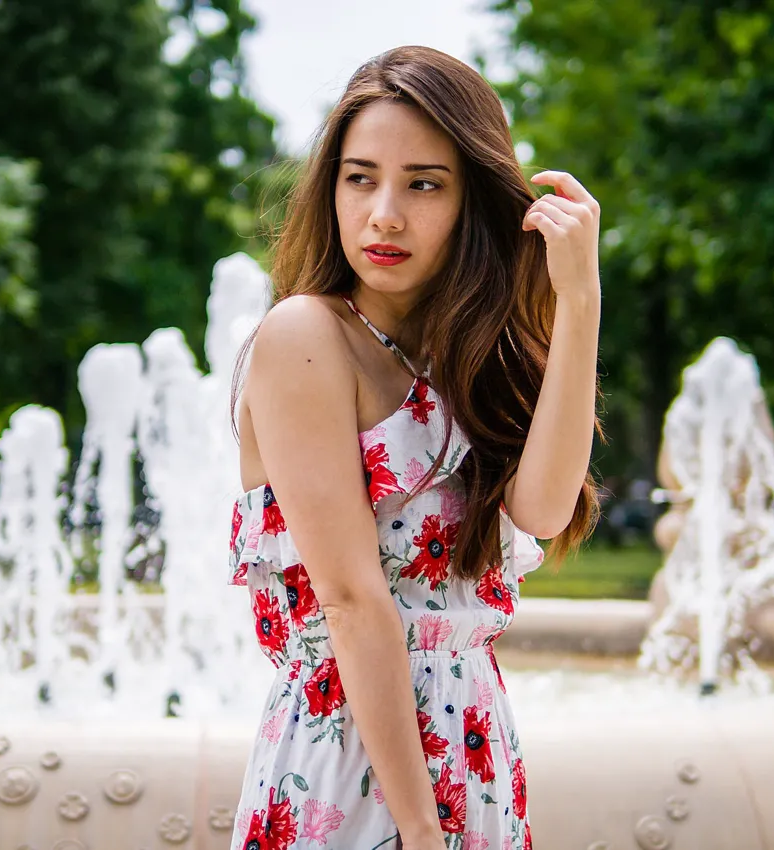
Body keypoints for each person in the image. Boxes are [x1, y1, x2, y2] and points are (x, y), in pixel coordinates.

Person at [227, 45, 601, 850]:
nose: (385, 214)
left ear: (472, 200)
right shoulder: (305, 337)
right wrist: (422, 830)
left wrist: (579, 301)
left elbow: (542, 509)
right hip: (352, 768)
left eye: (423, 184)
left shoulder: (467, 355)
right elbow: (351, 600)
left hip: (475, 744)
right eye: (360, 178)